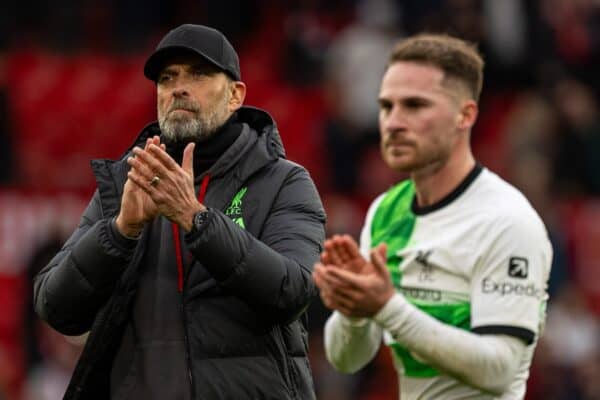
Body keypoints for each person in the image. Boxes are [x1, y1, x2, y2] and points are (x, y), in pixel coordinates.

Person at [33, 24, 326, 400]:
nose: (179, 87)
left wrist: (197, 220)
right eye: (167, 78)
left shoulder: (283, 181)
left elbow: (293, 290)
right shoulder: (128, 181)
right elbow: (54, 306)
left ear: (236, 95)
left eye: (199, 74)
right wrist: (121, 231)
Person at [313, 33, 552, 399]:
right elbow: (348, 359)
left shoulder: (506, 220)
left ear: (465, 115)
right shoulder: (386, 212)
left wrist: (387, 307)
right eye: (386, 106)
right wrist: (354, 309)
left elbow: (500, 369)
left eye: (414, 105)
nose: (393, 123)